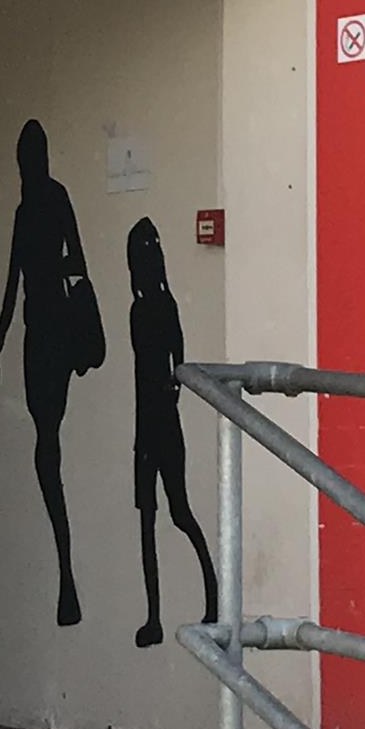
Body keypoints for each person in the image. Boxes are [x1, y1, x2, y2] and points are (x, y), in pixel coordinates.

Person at [0, 119, 93, 627]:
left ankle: (67, 574)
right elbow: (14, 281)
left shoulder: (43, 202)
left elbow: (72, 265)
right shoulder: (35, 205)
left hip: (48, 335)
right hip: (40, 335)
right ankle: (66, 575)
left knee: (46, 441)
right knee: (45, 442)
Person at [126, 217, 218, 647]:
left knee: (176, 513)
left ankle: (212, 599)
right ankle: (153, 616)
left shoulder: (159, 307)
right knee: (148, 520)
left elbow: (176, 362)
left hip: (159, 422)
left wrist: (170, 391)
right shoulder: (145, 308)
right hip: (149, 423)